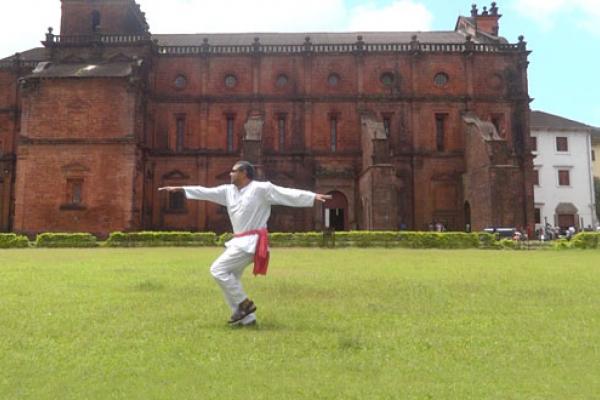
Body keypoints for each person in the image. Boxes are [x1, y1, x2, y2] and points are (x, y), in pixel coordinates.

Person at [158, 161, 332, 327]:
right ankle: (247, 319)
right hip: (238, 241)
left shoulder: (261, 189)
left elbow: (285, 193)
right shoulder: (228, 191)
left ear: (244, 173)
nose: (230, 173)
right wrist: (180, 189)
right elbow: (205, 192)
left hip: (252, 242)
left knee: (218, 270)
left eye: (234, 171)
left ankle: (244, 303)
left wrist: (312, 196)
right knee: (231, 278)